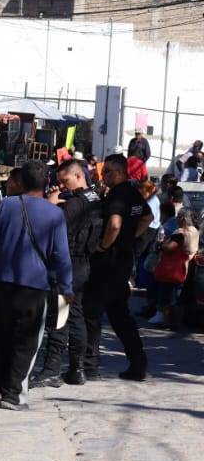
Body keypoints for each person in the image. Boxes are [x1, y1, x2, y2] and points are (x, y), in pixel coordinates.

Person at [0, 161, 74, 410]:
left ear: (20, 182)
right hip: (35, 289)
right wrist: (66, 287)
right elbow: (62, 256)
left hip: (3, 284)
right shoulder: (55, 215)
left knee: (0, 336)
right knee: (27, 342)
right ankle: (13, 395)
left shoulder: (6, 205)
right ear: (47, 183)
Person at [35, 159, 104, 387]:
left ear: (78, 176)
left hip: (69, 264)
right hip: (83, 264)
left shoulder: (76, 203)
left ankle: (52, 369)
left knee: (60, 316)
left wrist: (50, 204)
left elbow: (48, 224)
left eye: (65, 181)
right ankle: (77, 368)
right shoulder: (95, 198)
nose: (62, 186)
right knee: (74, 315)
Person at [85, 154, 153, 381]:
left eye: (107, 172)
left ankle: (90, 365)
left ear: (121, 172)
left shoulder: (117, 195)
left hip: (109, 262)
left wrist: (104, 246)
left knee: (92, 312)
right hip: (123, 260)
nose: (103, 176)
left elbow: (114, 224)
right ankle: (138, 362)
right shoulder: (135, 193)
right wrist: (130, 237)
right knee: (119, 315)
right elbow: (148, 217)